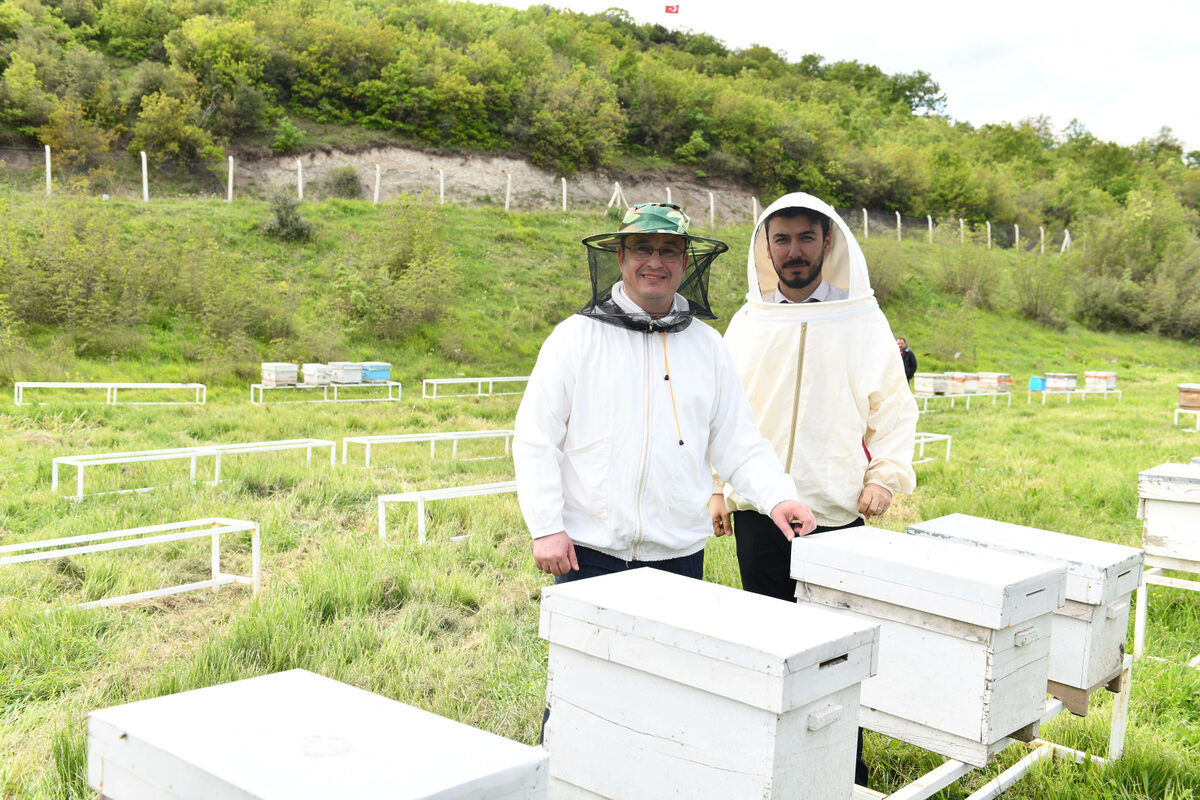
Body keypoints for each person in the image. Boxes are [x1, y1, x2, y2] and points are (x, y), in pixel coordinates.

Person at [514, 202, 816, 584]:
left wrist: (778, 496)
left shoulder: (709, 347)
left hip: (680, 555)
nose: (655, 262)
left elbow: (737, 442)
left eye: (668, 251)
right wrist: (545, 526)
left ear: (685, 263)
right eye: (643, 248)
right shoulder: (575, 338)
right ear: (621, 256)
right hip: (588, 553)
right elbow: (536, 437)